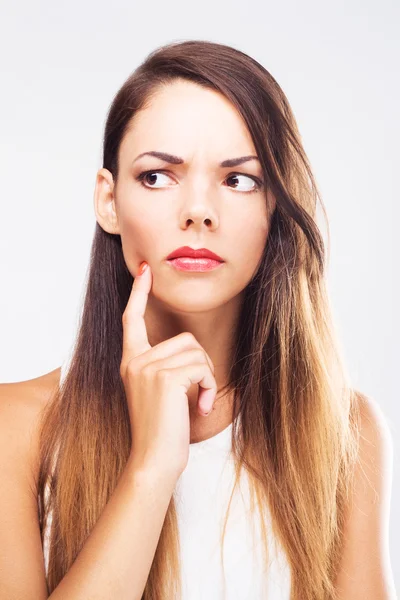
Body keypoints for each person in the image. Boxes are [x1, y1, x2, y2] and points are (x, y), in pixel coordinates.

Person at [0, 39, 396, 600]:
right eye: (158, 176)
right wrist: (151, 467)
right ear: (107, 200)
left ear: (275, 208)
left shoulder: (344, 432)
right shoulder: (13, 430)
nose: (198, 211)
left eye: (239, 180)